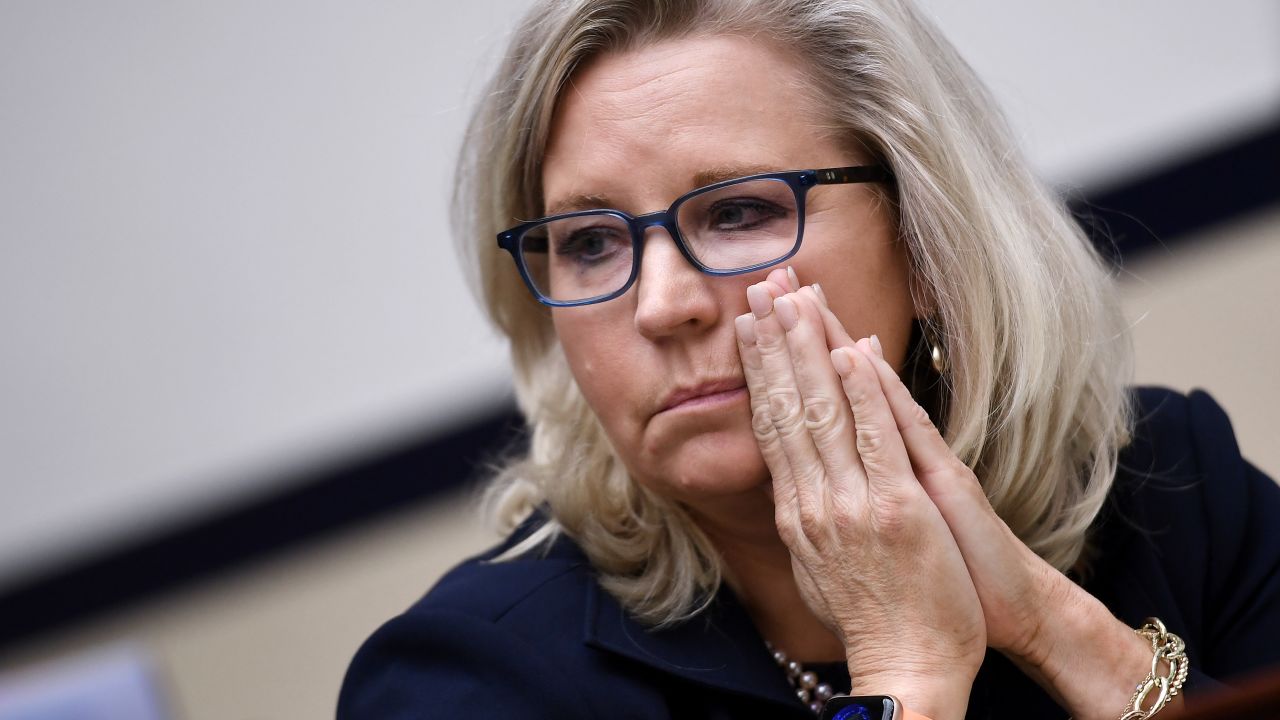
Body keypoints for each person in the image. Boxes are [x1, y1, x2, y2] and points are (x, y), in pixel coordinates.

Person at [337, 1, 1280, 718]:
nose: (662, 304)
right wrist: (905, 669)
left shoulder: (1171, 482)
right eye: (591, 241)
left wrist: (1058, 632)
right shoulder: (462, 677)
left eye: (740, 211)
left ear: (924, 239)